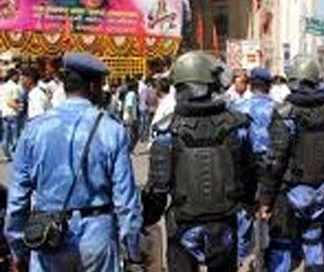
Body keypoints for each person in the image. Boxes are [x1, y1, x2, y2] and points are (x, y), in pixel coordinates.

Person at [4, 52, 143, 271]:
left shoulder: (34, 130)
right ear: (92, 87)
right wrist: (132, 251)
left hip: (47, 236)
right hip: (96, 238)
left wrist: (17, 246)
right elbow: (126, 199)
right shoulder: (111, 130)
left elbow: (17, 197)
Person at [144, 51, 256, 271]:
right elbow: (249, 176)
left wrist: (145, 219)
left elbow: (157, 190)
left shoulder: (167, 131)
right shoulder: (237, 125)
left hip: (184, 227)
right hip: (224, 224)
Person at [259, 57, 324, 272]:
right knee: (313, 240)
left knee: (281, 243)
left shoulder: (285, 113)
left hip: (289, 188)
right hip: (319, 188)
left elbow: (276, 159)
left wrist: (265, 198)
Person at [231, 67, 275, 266]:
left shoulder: (238, 107)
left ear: (250, 84)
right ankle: (267, 260)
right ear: (268, 85)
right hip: (273, 170)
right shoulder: (278, 109)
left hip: (245, 171)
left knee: (244, 219)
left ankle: (241, 260)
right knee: (271, 216)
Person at [0, 69, 21, 160]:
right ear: (14, 76)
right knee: (15, 136)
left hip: (4, 113)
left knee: (5, 135)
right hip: (13, 113)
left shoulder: (2, 86)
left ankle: (5, 155)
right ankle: (16, 155)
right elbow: (15, 100)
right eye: (17, 76)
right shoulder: (15, 87)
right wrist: (19, 107)